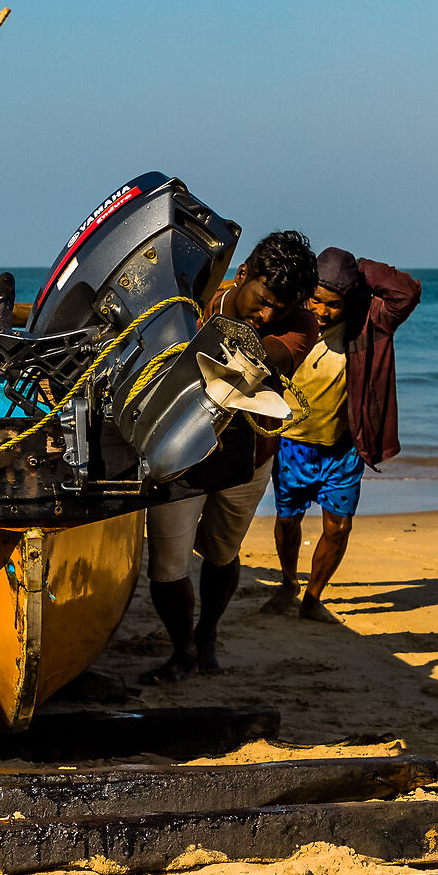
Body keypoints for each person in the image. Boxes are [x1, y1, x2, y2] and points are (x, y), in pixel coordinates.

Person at [140, 229, 317, 682]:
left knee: (222, 553)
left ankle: (208, 633)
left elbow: (268, 356)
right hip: (179, 452)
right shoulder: (192, 302)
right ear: (243, 273)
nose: (267, 315)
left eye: (280, 309)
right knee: (166, 565)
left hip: (249, 458)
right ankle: (183, 651)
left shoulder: (302, 323)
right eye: (263, 301)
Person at [263, 248, 422, 623]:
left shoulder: (369, 325)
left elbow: (406, 292)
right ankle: (288, 583)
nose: (322, 311)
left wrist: (356, 271)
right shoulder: (289, 319)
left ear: (349, 300)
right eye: (316, 299)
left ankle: (312, 598)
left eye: (333, 303)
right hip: (290, 445)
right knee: (287, 521)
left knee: (339, 526)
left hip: (342, 449)